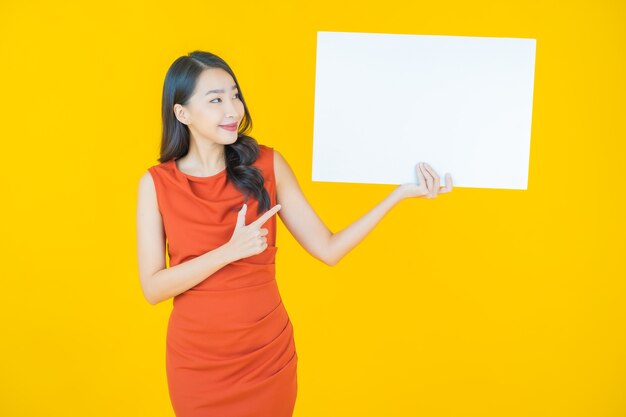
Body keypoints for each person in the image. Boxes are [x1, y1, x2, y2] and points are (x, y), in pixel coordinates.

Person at [136, 50, 453, 417]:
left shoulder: (267, 164)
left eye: (235, 95)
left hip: (265, 357)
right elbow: (153, 288)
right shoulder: (156, 184)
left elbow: (329, 249)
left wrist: (397, 195)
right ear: (182, 113)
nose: (232, 109)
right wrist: (229, 251)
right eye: (216, 99)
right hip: (198, 364)